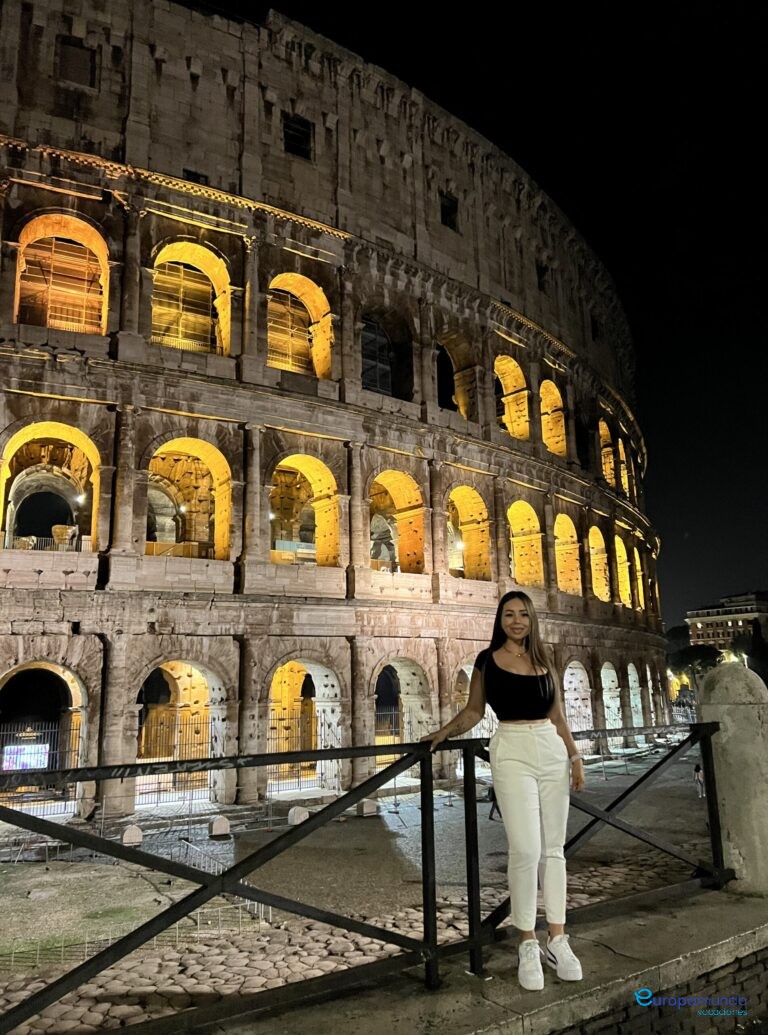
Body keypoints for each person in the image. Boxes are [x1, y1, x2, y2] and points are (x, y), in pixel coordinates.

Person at [421, 590, 586, 991]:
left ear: (531, 620)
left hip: (550, 750)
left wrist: (575, 757)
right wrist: (443, 732)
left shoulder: (545, 659)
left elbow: (558, 716)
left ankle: (558, 938)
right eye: (509, 615)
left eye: (523, 615)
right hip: (510, 747)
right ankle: (527, 941)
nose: (516, 621)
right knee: (526, 849)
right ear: (500, 620)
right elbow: (474, 711)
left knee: (554, 850)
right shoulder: (486, 661)